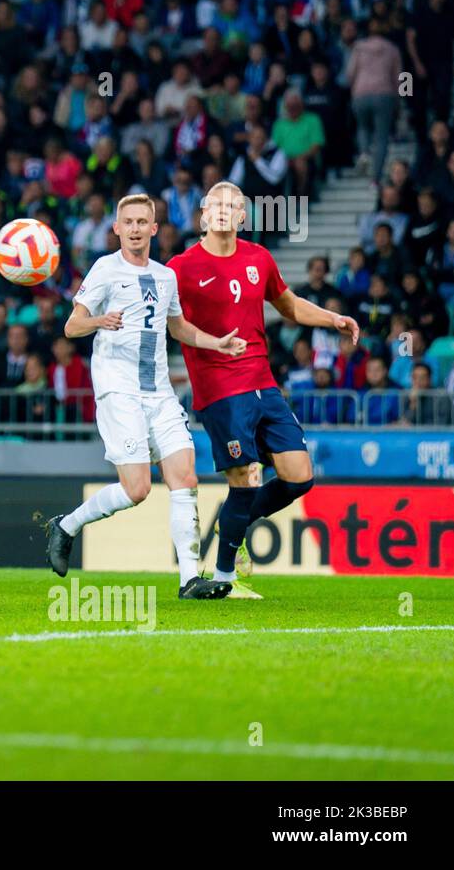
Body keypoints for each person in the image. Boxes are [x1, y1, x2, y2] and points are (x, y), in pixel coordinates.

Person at [43, 193, 245, 600]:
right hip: (119, 390)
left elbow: (180, 328)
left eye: (142, 222)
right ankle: (66, 524)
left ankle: (190, 579)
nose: (135, 229)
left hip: (159, 392)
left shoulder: (166, 276)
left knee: (184, 476)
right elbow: (71, 326)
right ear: (117, 229)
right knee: (136, 489)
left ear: (154, 229)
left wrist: (215, 343)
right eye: (128, 222)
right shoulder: (105, 269)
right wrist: (100, 320)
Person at [168, 182, 359, 598]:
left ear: (242, 216)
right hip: (219, 388)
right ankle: (223, 579)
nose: (223, 210)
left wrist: (332, 319)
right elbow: (171, 322)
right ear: (203, 214)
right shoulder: (181, 267)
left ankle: (232, 525)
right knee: (246, 481)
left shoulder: (259, 258)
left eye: (232, 205)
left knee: (299, 477)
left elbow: (288, 304)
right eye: (215, 204)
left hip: (263, 384)